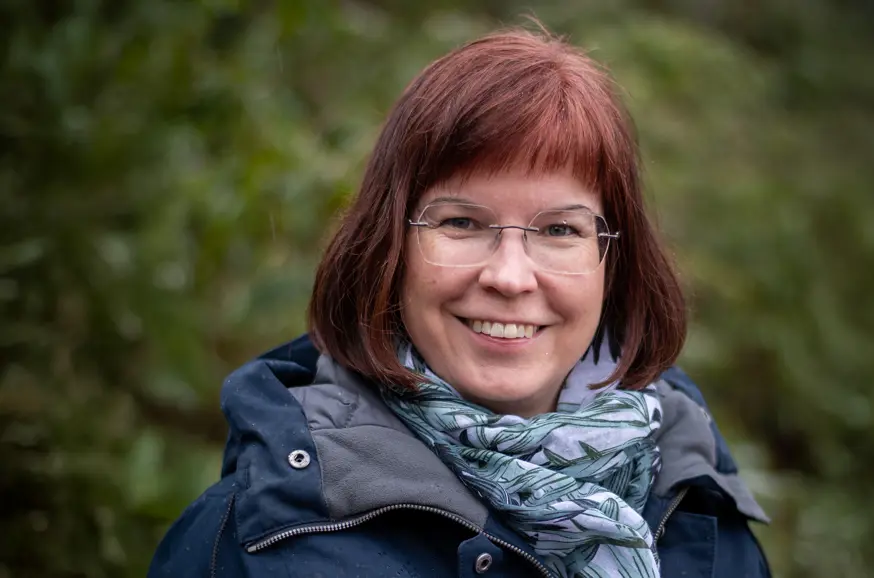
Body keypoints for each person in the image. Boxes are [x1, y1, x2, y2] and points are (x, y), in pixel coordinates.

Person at [149, 25, 771, 578]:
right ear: (388, 245)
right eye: (462, 223)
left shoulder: (701, 514)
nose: (509, 276)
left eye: (560, 230)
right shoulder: (254, 543)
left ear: (614, 262)